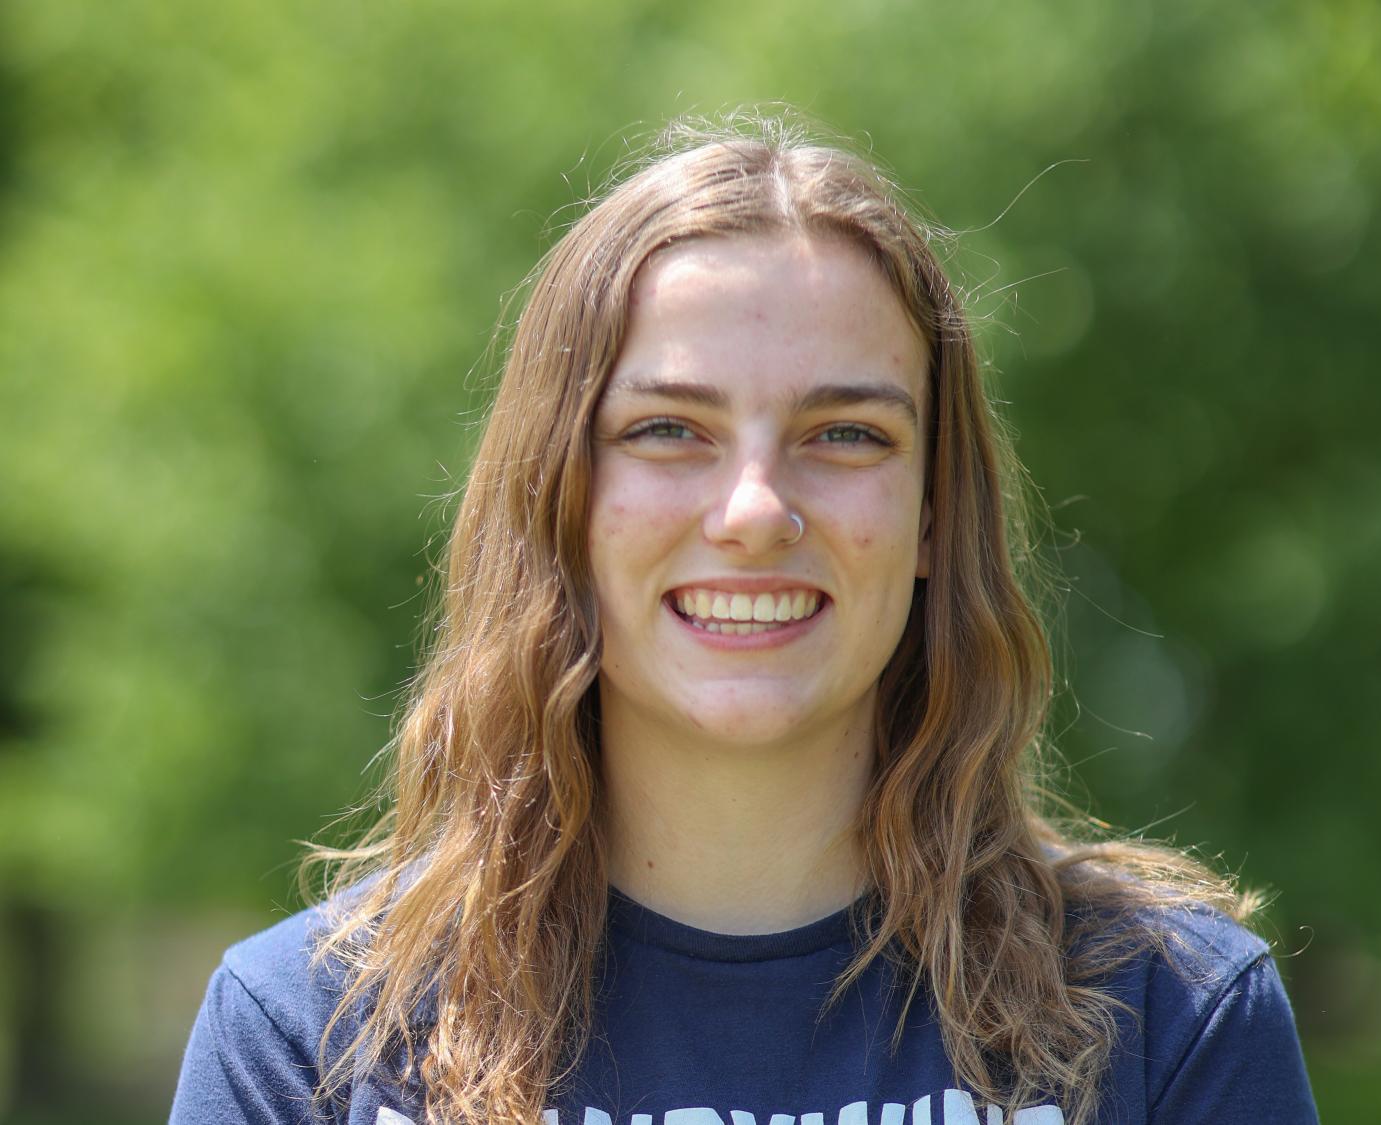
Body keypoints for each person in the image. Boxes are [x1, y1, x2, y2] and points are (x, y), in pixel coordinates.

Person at [169, 115, 1318, 1125]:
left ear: (933, 517)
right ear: (558, 504)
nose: (757, 510)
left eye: (847, 434)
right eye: (669, 429)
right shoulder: (314, 1042)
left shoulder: (1166, 1016)